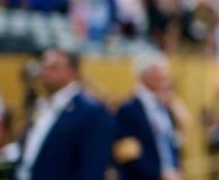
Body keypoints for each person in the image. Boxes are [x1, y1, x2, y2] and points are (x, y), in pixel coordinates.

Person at [14, 48, 113, 180]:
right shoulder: (40, 106)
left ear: (72, 72)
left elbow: (92, 168)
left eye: (53, 68)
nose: (45, 73)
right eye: (43, 67)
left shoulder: (90, 111)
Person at [113, 53, 186, 180]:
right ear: (146, 74)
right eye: (160, 72)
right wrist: (160, 174)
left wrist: (176, 169)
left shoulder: (164, 106)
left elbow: (169, 142)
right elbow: (127, 155)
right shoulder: (129, 109)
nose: (165, 76)